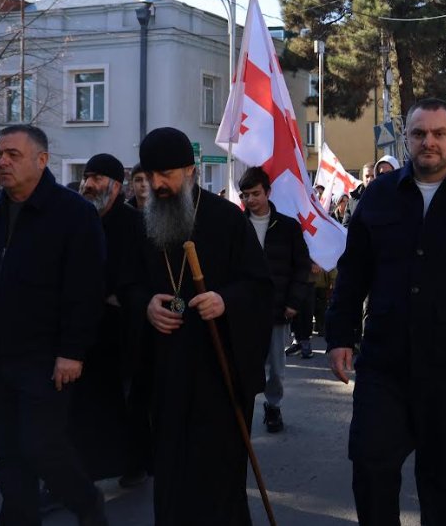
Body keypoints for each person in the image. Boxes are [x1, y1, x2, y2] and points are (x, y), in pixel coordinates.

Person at [326, 98, 446, 526]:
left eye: (438, 134)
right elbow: (353, 271)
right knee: (370, 464)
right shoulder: (378, 196)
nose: (428, 142)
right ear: (406, 140)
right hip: (384, 364)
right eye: (418, 134)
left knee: (444, 477)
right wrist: (340, 336)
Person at [0, 125, 109, 526]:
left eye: (13, 154)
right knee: (8, 450)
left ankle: (87, 503)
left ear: (42, 160)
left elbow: (86, 290)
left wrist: (72, 351)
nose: (2, 162)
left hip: (47, 357)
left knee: (41, 446)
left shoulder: (74, 214)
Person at [138, 127, 272, 525]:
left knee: (217, 477)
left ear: (191, 171)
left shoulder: (227, 219)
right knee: (171, 475)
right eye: (151, 176)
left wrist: (224, 300)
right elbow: (125, 285)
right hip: (165, 372)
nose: (158, 185)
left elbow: (260, 286)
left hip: (218, 370)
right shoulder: (142, 223)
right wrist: (145, 306)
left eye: (167, 175)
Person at [78, 152, 150, 488]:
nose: (88, 185)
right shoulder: (76, 220)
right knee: (83, 406)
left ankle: (134, 462)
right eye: (86, 177)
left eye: (96, 178)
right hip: (83, 330)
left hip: (123, 333)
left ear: (116, 186)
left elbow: (131, 279)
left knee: (126, 403)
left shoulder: (134, 224)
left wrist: (110, 292)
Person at [238, 166, 311, 432]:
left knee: (276, 369)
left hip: (276, 308)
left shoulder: (288, 227)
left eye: (255, 193)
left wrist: (294, 301)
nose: (250, 200)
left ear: (268, 192)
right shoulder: (237, 225)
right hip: (243, 311)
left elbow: (301, 266)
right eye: (245, 195)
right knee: (244, 363)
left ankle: (273, 406)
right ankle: (242, 408)